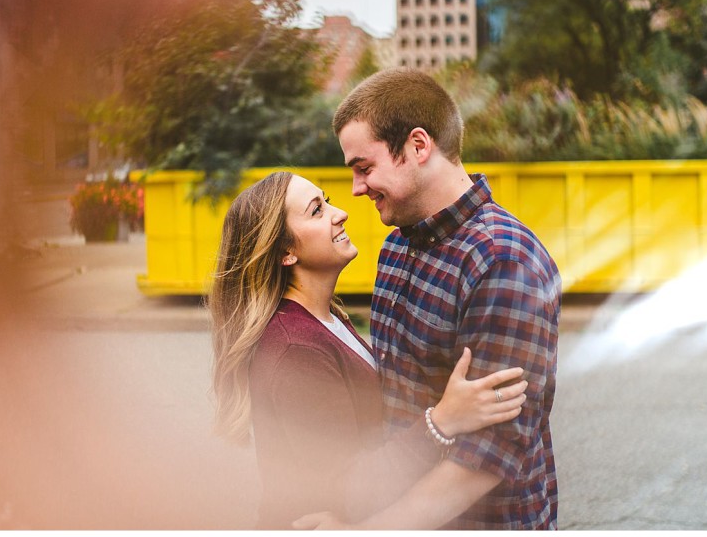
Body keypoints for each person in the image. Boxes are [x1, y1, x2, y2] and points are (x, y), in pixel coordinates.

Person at [297, 68, 561, 530]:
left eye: (364, 167)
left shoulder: (503, 261)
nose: (357, 188)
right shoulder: (396, 246)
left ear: (419, 147)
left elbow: (484, 460)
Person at [208, 171, 530, 529]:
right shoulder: (296, 349)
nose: (339, 212)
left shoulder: (324, 319)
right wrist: (442, 421)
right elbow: (346, 486)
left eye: (326, 200)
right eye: (316, 210)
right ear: (286, 252)